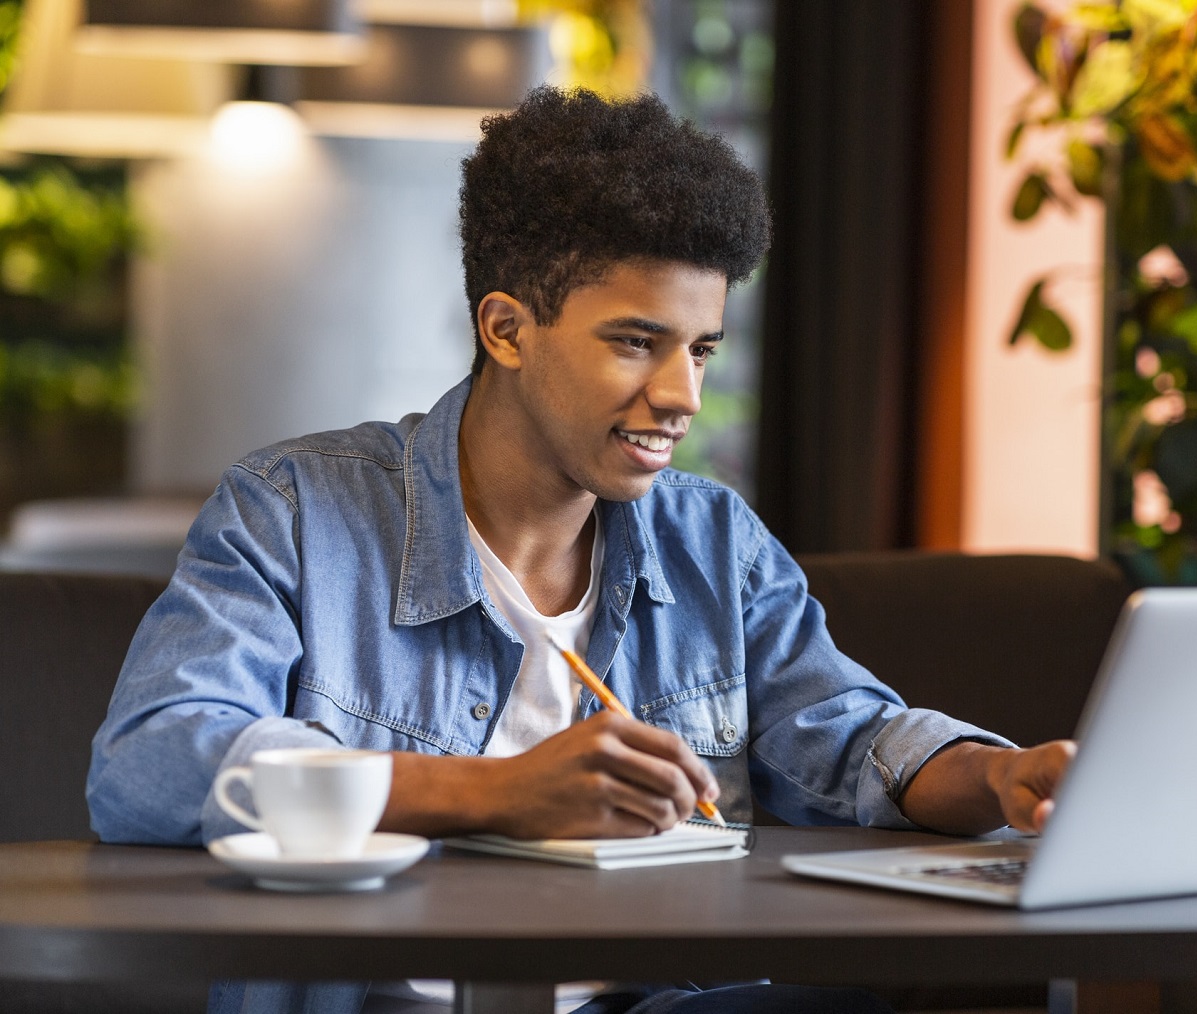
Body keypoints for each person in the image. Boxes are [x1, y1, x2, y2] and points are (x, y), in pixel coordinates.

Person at [87, 87, 1074, 1014]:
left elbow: (852, 741)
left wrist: (996, 778)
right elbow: (153, 762)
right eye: (637, 342)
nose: (683, 395)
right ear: (507, 329)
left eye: (701, 349)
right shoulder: (293, 511)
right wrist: (494, 795)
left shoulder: (714, 541)